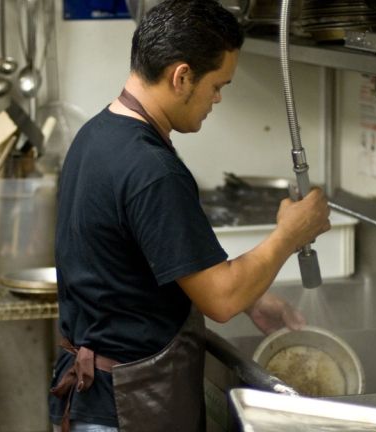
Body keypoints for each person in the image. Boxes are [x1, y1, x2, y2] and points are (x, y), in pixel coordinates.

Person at [49, 1, 331, 431]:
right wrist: (290, 234)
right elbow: (220, 298)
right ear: (182, 76)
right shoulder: (152, 169)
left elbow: (136, 266)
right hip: (127, 410)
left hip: (94, 402)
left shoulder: (97, 135)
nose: (217, 98)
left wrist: (253, 298)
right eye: (218, 85)